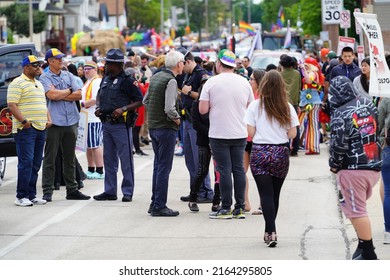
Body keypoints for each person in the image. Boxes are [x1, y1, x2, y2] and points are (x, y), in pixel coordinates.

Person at [328, 76, 382, 260]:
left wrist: (334, 165)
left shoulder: (340, 113)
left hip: (352, 169)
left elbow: (339, 144)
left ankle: (368, 252)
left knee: (357, 210)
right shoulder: (369, 104)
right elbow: (377, 127)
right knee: (353, 207)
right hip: (373, 165)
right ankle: (362, 245)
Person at [245, 70, 299, 247]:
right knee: (275, 194)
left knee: (265, 194)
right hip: (280, 153)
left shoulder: (255, 106)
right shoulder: (287, 107)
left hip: (260, 151)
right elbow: (292, 133)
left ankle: (271, 231)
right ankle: (270, 230)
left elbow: (250, 132)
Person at [199, 49, 254, 219]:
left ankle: (225, 207)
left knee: (223, 170)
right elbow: (251, 106)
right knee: (238, 170)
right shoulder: (244, 82)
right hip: (239, 132)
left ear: (219, 64)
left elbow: (202, 110)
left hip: (218, 133)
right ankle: (239, 207)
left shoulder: (211, 83)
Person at [39, 48, 91, 201]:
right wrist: (69, 91)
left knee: (69, 158)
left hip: (71, 121)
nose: (61, 60)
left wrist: (62, 93)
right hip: (54, 122)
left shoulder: (68, 75)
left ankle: (72, 190)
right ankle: (47, 191)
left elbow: (79, 94)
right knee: (50, 158)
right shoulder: (45, 78)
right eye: (58, 58)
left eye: (61, 58)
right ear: (50, 61)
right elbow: (51, 95)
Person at [93, 48, 143, 202]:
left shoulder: (127, 80)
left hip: (121, 125)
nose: (105, 65)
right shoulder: (106, 78)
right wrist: (98, 108)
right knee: (109, 159)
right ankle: (110, 191)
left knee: (126, 159)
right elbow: (100, 96)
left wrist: (123, 109)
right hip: (106, 123)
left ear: (116, 64)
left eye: (108, 63)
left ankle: (127, 191)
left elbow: (140, 100)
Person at [143, 50, 184, 217]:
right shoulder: (171, 80)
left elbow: (146, 101)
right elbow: (170, 108)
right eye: (182, 62)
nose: (183, 65)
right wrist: (178, 120)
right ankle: (160, 205)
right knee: (164, 167)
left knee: (158, 166)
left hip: (154, 126)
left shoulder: (156, 77)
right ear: (178, 64)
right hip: (165, 128)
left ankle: (155, 202)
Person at [7, 55, 51, 206]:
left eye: (39, 65)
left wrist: (48, 118)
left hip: (40, 127)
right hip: (26, 129)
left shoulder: (38, 83)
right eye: (34, 65)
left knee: (36, 162)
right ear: (26, 68)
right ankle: (21, 196)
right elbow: (12, 105)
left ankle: (31, 195)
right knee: (26, 162)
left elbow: (43, 104)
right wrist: (24, 121)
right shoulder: (17, 83)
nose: (38, 68)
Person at [178, 50, 214, 203]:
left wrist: (190, 92)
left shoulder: (201, 74)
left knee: (199, 159)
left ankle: (206, 191)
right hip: (186, 119)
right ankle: (195, 189)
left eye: (182, 64)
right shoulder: (188, 75)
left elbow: (207, 96)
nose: (181, 68)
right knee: (190, 159)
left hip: (196, 122)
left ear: (187, 61)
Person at [188, 74, 222, 212]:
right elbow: (195, 124)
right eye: (203, 84)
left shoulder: (217, 103)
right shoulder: (197, 104)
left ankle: (216, 201)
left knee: (218, 172)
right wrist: (210, 133)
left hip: (218, 140)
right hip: (204, 140)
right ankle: (193, 198)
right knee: (202, 170)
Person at [247, 69, 266, 215]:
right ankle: (244, 202)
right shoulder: (247, 94)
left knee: (260, 174)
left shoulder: (265, 97)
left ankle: (262, 204)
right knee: (241, 171)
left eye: (252, 79)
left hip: (259, 140)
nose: (249, 81)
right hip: (246, 138)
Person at [80, 61, 104, 179]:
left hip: (93, 118)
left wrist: (80, 105)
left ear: (95, 69)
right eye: (85, 68)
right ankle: (91, 169)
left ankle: (100, 170)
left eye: (89, 68)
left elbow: (94, 99)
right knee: (89, 146)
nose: (86, 70)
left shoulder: (97, 81)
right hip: (85, 117)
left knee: (95, 145)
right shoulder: (88, 81)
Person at [298, 57, 323, 155]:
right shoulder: (315, 73)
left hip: (309, 102)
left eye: (306, 64)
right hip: (311, 101)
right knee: (312, 125)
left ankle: (294, 144)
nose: (304, 66)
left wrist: (303, 70)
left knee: (300, 124)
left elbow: (308, 81)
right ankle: (313, 147)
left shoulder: (312, 73)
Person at [280, 55, 301, 157]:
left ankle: (286, 147)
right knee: (295, 125)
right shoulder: (297, 74)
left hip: (283, 102)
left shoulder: (280, 75)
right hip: (294, 103)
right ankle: (295, 149)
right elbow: (298, 89)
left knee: (284, 126)